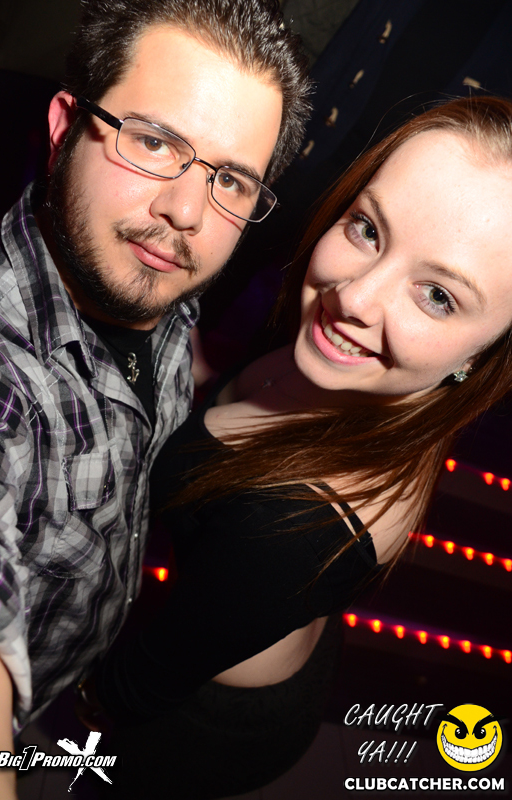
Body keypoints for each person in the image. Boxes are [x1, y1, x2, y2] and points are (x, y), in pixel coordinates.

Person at [83, 95, 512, 798]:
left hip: (191, 723)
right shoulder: (355, 366)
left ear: (482, 355)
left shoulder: (295, 530)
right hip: (258, 615)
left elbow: (130, 689)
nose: (352, 298)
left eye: (438, 296)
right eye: (367, 229)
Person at [0, 0, 311, 796]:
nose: (185, 214)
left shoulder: (153, 282)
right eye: (154, 141)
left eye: (229, 179)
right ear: (66, 125)